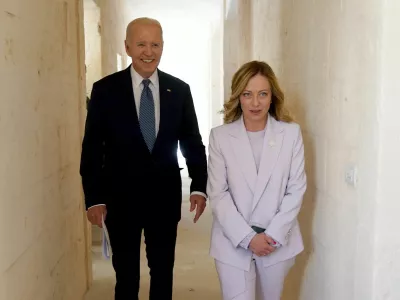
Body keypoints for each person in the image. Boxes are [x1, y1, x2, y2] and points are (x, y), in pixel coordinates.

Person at [80, 17, 208, 300]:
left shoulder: (180, 91)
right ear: (127, 47)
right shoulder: (105, 90)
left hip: (164, 198)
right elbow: (91, 147)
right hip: (120, 200)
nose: (148, 52)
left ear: (162, 47)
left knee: (163, 273)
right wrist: (94, 198)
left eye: (155, 44)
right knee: (126, 276)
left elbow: (191, 141)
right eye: (141, 44)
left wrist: (199, 185)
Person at [207, 61, 307, 300]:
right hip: (232, 242)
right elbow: (218, 194)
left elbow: (296, 189)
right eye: (247, 94)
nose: (255, 103)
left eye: (262, 94)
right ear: (238, 97)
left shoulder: (291, 134)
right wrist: (248, 238)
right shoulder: (220, 137)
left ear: (272, 97)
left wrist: (270, 235)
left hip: (276, 242)